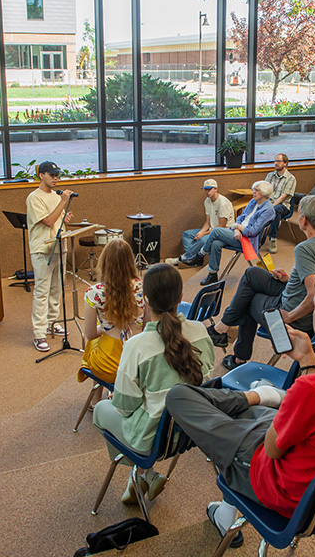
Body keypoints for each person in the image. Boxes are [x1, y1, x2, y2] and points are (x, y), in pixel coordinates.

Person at [166, 256, 315, 547]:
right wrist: (308, 360)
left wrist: (301, 387)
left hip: (283, 491)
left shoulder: (312, 390)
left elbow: (272, 448)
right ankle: (253, 398)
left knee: (179, 397)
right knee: (258, 411)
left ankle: (245, 404)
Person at [92, 263, 215, 505]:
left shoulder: (136, 346)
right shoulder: (200, 331)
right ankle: (143, 475)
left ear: (145, 299)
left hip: (155, 439)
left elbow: (125, 407)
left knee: (101, 410)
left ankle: (141, 473)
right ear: (181, 296)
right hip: (191, 431)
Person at [205, 195, 315, 371]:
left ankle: (238, 357)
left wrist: (289, 316)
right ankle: (223, 327)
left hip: (295, 313)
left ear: (304, 220)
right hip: (301, 300)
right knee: (252, 273)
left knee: (248, 300)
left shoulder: (305, 249)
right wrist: (291, 279)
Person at [78, 239, 145, 407]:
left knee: (93, 344)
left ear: (104, 262)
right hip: (139, 362)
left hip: (109, 366)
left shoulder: (93, 294)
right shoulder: (144, 287)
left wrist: (106, 328)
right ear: (131, 261)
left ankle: (96, 401)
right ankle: (120, 390)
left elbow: (91, 333)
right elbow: (147, 326)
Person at [182, 180, 276, 286]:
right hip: (238, 234)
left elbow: (253, 231)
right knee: (216, 243)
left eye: (256, 190)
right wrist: (236, 229)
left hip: (248, 241)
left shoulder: (268, 210)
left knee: (216, 231)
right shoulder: (253, 202)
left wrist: (236, 227)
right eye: (253, 189)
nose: (253, 192)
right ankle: (212, 274)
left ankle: (200, 255)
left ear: (264, 193)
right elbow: (240, 217)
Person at [26, 160, 74, 352]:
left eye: (57, 175)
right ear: (41, 175)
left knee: (57, 289)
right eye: (52, 175)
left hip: (59, 247)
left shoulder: (56, 196)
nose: (56, 178)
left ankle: (52, 322)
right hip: (42, 250)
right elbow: (47, 221)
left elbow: (56, 220)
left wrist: (65, 217)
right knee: (42, 291)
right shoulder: (34, 197)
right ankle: (39, 333)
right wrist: (63, 202)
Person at [166, 178, 235, 267]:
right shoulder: (207, 201)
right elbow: (207, 222)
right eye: (206, 189)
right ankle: (193, 259)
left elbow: (222, 225)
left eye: (210, 189)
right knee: (187, 234)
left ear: (216, 189)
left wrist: (204, 234)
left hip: (222, 232)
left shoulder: (222, 203)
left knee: (202, 240)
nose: (207, 192)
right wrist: (201, 232)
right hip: (211, 229)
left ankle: (183, 258)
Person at [264, 154, 297, 254]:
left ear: (285, 163)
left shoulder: (290, 178)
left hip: (283, 205)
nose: (276, 163)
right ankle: (256, 237)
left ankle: (272, 239)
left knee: (275, 210)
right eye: (275, 161)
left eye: (278, 161)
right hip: (269, 203)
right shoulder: (270, 175)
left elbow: (283, 197)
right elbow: (264, 191)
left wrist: (271, 206)